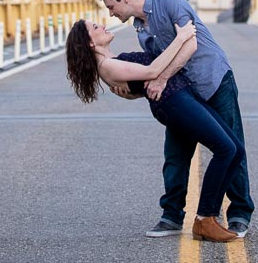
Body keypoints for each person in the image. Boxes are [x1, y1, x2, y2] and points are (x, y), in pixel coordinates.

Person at [96, 0, 253, 239]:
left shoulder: (171, 2)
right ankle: (171, 216)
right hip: (183, 94)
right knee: (176, 154)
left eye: (111, 7)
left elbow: (189, 43)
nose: (111, 14)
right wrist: (135, 91)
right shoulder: (139, 27)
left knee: (231, 145)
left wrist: (162, 78)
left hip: (213, 81)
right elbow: (155, 64)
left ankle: (238, 213)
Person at [65, 18, 244, 243]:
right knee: (225, 149)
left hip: (180, 96)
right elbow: (153, 70)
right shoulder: (107, 66)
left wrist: (133, 92)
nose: (101, 25)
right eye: (94, 28)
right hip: (174, 103)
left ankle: (208, 218)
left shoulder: (111, 60)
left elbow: (141, 84)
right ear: (90, 43)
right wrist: (181, 38)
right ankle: (204, 219)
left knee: (235, 149)